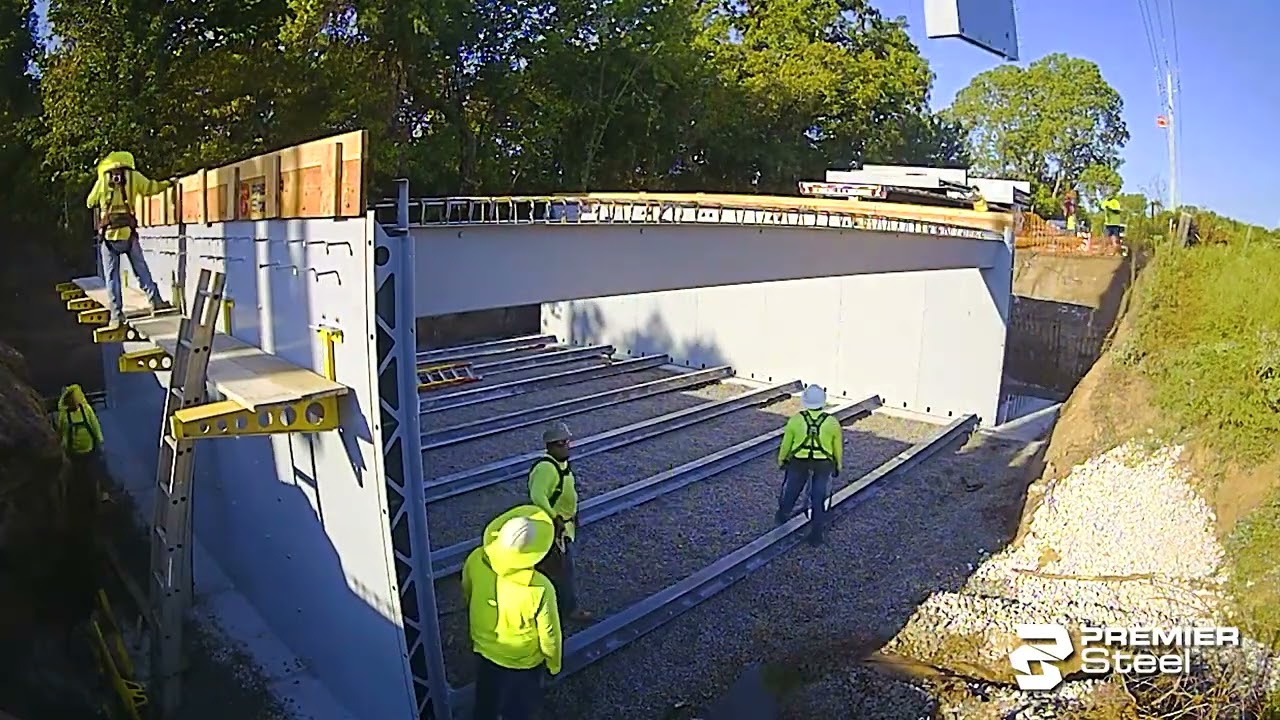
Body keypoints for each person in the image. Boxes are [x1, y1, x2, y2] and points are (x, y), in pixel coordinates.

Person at [461, 505, 563, 720]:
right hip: (523, 661)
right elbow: (549, 634)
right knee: (519, 709)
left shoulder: (476, 559)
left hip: (485, 648)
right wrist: (553, 664)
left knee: (485, 701)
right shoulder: (540, 587)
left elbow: (467, 593)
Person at [85, 151, 174, 330]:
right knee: (141, 270)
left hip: (109, 238)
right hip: (128, 234)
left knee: (112, 278)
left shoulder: (103, 180)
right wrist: (168, 184)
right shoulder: (134, 177)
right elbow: (151, 188)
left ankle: (116, 316)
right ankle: (156, 302)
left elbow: (90, 201)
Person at [528, 422, 593, 622]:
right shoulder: (546, 469)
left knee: (556, 569)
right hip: (554, 531)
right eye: (561, 443)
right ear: (550, 446)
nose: (566, 446)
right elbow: (537, 495)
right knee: (563, 571)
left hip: (565, 527)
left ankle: (549, 605)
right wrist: (555, 518)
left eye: (567, 442)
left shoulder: (561, 465)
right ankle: (567, 609)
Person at [775, 384, 844, 546]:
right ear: (823, 402)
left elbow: (786, 444)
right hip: (823, 464)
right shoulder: (832, 423)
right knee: (818, 498)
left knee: (791, 490)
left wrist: (781, 460)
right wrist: (838, 465)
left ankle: (783, 515)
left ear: (804, 402)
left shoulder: (795, 420)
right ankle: (816, 535)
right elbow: (837, 448)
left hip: (799, 462)